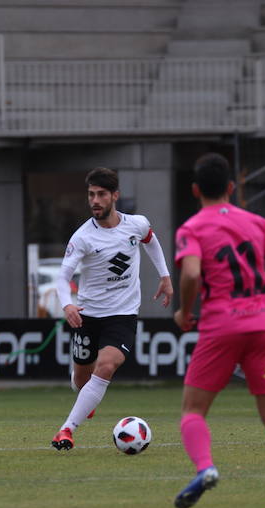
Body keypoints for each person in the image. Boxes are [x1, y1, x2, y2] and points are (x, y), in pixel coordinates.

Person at [171, 153, 265, 508]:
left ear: (196, 190)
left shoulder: (192, 228)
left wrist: (186, 313)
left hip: (220, 328)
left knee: (192, 409)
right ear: (231, 188)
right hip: (262, 327)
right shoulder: (258, 223)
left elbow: (190, 274)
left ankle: (205, 468)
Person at [51, 167, 173, 450]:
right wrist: (67, 304)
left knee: (106, 365)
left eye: (101, 194)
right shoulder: (82, 237)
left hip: (123, 314)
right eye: (91, 194)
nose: (95, 200)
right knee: (81, 378)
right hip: (88, 315)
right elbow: (62, 277)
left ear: (115, 196)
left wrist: (165, 277)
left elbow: (151, 242)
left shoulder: (137, 224)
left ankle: (66, 430)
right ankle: (85, 400)